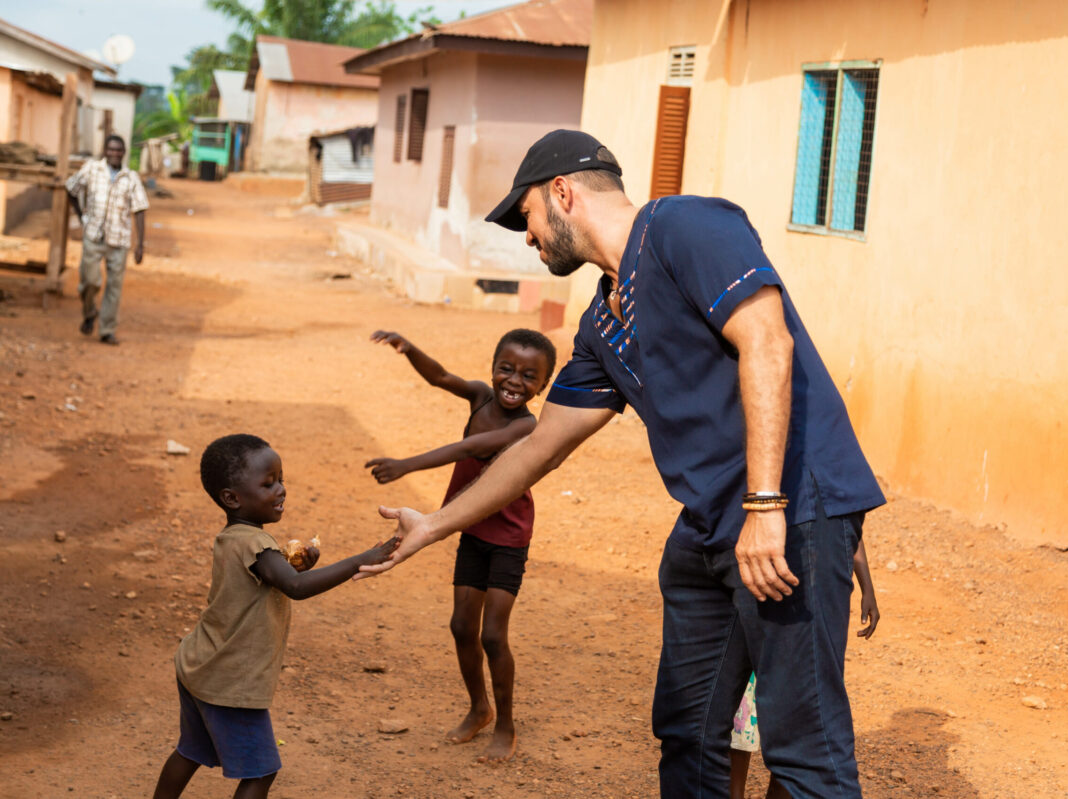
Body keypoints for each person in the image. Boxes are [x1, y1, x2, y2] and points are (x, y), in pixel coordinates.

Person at [360, 129, 887, 798]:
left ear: (562, 192)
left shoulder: (685, 226)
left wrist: (764, 506)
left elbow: (768, 340)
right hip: (707, 526)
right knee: (687, 732)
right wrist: (433, 525)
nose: (527, 237)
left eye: (525, 216)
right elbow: (534, 448)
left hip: (789, 512)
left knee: (805, 753)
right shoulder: (600, 325)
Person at [153, 433, 399, 799]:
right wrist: (361, 559)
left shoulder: (233, 538)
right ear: (232, 498)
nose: (281, 490)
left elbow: (276, 581)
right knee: (261, 773)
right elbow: (295, 589)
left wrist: (295, 566)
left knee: (191, 751)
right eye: (268, 484)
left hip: (199, 665)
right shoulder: (257, 544)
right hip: (230, 683)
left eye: (281, 480)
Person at [364, 328, 556, 763]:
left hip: (508, 536)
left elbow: (472, 446)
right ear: (492, 368)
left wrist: (405, 464)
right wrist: (411, 348)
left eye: (529, 376)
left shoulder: (526, 425)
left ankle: (506, 725)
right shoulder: (479, 398)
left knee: (492, 634)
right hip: (472, 528)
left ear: (543, 386)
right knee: (461, 627)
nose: (514, 381)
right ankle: (479, 708)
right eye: (506, 369)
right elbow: (440, 377)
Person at [729, 538, 880, 799]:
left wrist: (868, 587)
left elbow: (848, 525)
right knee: (741, 724)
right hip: (755, 595)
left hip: (803, 608)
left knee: (797, 721)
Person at [65, 133, 148, 346]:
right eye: (111, 149)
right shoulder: (92, 169)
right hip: (93, 235)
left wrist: (140, 244)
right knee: (89, 281)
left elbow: (139, 210)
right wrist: (81, 216)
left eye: (119, 150)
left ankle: (107, 330)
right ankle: (90, 311)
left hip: (119, 240)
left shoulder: (130, 178)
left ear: (124, 152)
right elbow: (71, 188)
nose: (114, 153)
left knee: (114, 287)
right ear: (105, 150)